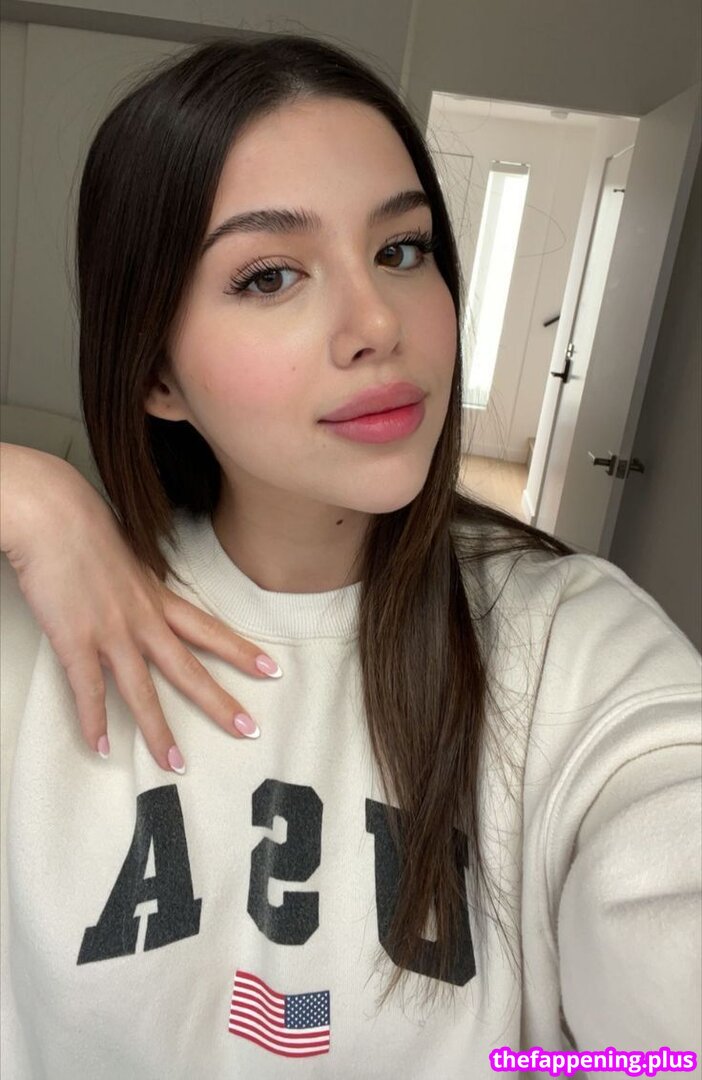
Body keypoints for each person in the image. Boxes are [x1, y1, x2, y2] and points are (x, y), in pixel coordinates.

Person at [0, 32, 700, 1080]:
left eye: (402, 250)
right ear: (156, 375)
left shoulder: (574, 644)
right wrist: (27, 490)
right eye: (270, 275)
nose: (378, 321)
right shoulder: (36, 629)